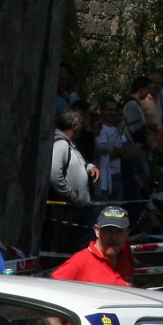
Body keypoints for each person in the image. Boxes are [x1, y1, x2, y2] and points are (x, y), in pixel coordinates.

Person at [49, 107, 98, 251]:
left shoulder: (71, 144)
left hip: (75, 208)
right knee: (62, 245)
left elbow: (79, 163)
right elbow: (54, 174)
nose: (83, 127)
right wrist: (72, 195)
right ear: (74, 125)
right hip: (65, 209)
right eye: (81, 123)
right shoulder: (61, 145)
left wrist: (90, 167)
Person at [51, 205, 135, 285]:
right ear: (97, 230)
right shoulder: (79, 263)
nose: (113, 237)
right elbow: (52, 289)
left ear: (127, 233)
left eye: (119, 231)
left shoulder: (125, 260)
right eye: (108, 230)